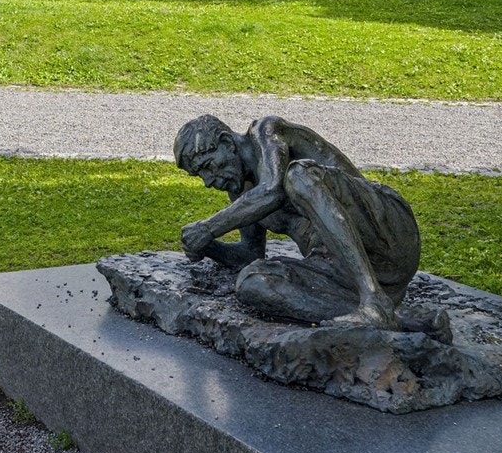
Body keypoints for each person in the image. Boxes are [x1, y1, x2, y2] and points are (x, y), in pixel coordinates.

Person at [175, 114, 422, 331]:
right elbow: (248, 255)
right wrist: (208, 246)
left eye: (207, 167)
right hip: (343, 272)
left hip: (388, 234)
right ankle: (401, 318)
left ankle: (374, 301)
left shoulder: (267, 132)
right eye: (200, 175)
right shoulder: (243, 194)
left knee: (298, 177)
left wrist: (208, 228)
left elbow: (272, 190)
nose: (208, 181)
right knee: (252, 282)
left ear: (227, 143)